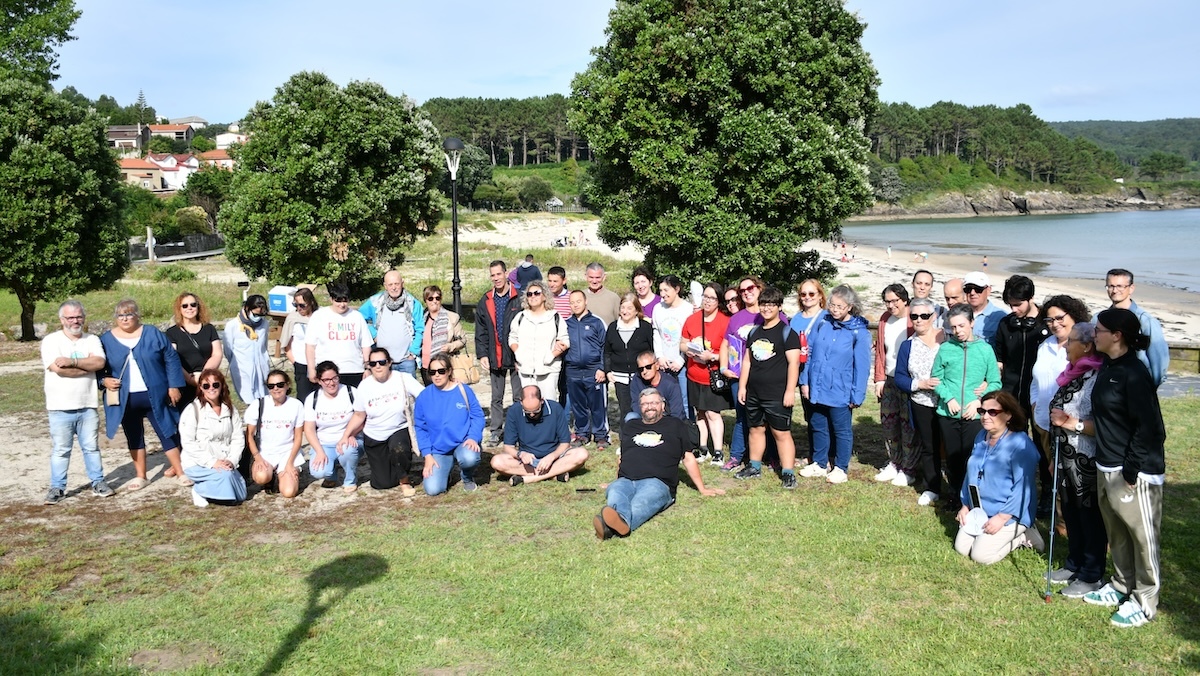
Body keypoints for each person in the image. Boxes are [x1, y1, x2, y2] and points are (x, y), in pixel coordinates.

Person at [1082, 308, 1166, 628]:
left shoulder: (1134, 373)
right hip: (1107, 465)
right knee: (1117, 532)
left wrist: (1130, 471)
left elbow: (1151, 429)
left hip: (1135, 473)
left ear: (1116, 336)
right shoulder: (1109, 365)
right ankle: (1121, 585)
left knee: (1142, 537)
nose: (1094, 334)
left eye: (1099, 330)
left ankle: (1145, 601)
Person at [593, 388, 725, 540]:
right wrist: (615, 481)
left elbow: (688, 458)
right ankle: (617, 523)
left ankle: (612, 526)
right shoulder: (630, 426)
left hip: (658, 482)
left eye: (654, 403)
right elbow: (623, 457)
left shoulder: (675, 425)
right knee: (615, 491)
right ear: (639, 407)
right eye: (645, 404)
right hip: (626, 480)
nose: (650, 406)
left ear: (663, 405)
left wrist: (702, 488)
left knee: (641, 503)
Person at [1045, 322, 1107, 599]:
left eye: (1071, 341)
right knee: (1070, 512)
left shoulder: (1098, 377)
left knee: (1089, 515)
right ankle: (1074, 563)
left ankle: (1091, 574)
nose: (1066, 345)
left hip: (1086, 459)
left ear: (1087, 346)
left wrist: (1071, 423)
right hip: (1064, 457)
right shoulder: (1073, 374)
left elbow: (1105, 424)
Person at [99, 299, 187, 491]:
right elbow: (99, 367)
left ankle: (181, 472)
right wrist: (103, 381)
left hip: (156, 394)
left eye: (129, 314)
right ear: (116, 318)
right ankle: (141, 476)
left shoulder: (152, 333)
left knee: (167, 431)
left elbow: (171, 358)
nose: (125, 318)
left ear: (137, 315)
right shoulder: (105, 339)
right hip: (125, 398)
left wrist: (174, 385)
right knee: (134, 435)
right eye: (120, 315)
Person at [953, 391, 1043, 565]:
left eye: (992, 412)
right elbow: (971, 473)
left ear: (1008, 414)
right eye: (982, 411)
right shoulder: (981, 437)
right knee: (962, 548)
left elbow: (1023, 487)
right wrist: (965, 505)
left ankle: (1022, 534)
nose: (985, 416)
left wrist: (1002, 517)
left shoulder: (1021, 445)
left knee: (981, 557)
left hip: (1009, 512)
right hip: (981, 510)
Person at [932, 304, 1002, 512]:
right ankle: (955, 494)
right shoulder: (945, 349)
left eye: (962, 325)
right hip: (949, 412)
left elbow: (995, 382)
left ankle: (973, 497)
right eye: (953, 327)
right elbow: (937, 379)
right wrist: (949, 398)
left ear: (972, 323)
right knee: (953, 457)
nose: (958, 331)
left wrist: (979, 401)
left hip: (974, 415)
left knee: (972, 457)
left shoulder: (984, 349)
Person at [798, 285, 870, 484]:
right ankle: (820, 463)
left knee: (841, 430)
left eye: (840, 306)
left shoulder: (859, 332)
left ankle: (840, 467)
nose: (835, 309)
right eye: (832, 305)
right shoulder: (822, 322)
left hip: (840, 389)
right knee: (817, 425)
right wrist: (805, 381)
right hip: (817, 385)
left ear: (850, 307)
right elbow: (809, 352)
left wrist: (857, 395)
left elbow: (862, 367)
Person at [43, 301, 112, 504]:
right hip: (59, 406)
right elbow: (58, 369)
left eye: (79, 316)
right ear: (61, 319)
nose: (75, 321)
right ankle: (57, 487)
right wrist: (86, 366)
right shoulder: (50, 341)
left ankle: (98, 482)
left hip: (87, 404)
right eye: (70, 317)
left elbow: (99, 363)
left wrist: (72, 362)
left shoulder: (91, 339)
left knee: (91, 447)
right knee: (61, 449)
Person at [994, 275, 1053, 512]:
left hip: (1038, 397)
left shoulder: (1045, 326)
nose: (1014, 309)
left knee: (1042, 446)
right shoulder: (1006, 324)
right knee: (1012, 443)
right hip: (1012, 395)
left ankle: (1048, 494)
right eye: (1011, 304)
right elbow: (999, 359)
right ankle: (1010, 488)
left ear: (1031, 299)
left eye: (1018, 304)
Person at [735, 285, 803, 488]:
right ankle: (754, 466)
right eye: (763, 304)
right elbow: (747, 361)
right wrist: (742, 387)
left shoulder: (787, 333)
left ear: (779, 307)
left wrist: (790, 391)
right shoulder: (754, 332)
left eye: (771, 304)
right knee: (755, 429)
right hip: (754, 392)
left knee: (781, 433)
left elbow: (794, 363)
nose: (766, 308)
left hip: (777, 393)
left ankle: (788, 472)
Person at [340, 348, 426, 495]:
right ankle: (395, 470)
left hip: (399, 428)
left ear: (389, 362)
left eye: (382, 362)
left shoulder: (402, 378)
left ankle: (404, 479)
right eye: (373, 364)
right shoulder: (364, 386)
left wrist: (449, 385)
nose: (378, 366)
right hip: (374, 435)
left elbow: (425, 396)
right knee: (382, 484)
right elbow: (359, 415)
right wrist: (346, 435)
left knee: (398, 449)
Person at [1029, 295, 1091, 473]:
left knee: (1070, 474)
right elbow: (1036, 381)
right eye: (1049, 320)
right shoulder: (1044, 346)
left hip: (1070, 425)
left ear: (1073, 316)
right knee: (1050, 471)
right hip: (1043, 422)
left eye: (1059, 318)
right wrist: (1035, 406)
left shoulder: (1084, 347)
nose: (1054, 324)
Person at [894, 297, 946, 506]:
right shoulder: (908, 345)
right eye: (914, 316)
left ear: (933, 317)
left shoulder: (947, 339)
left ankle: (956, 488)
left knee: (952, 446)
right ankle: (932, 487)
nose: (919, 320)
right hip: (922, 402)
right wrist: (919, 384)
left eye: (924, 316)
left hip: (948, 401)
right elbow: (899, 377)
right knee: (929, 445)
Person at [413, 352, 486, 496]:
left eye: (441, 371)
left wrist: (473, 437)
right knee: (433, 490)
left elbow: (477, 416)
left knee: (469, 458)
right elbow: (420, 428)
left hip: (463, 442)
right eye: (432, 372)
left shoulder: (463, 390)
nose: (437, 375)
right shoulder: (424, 397)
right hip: (439, 449)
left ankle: (467, 477)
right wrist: (427, 455)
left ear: (449, 371)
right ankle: (447, 471)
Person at [492, 385, 588, 485]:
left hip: (554, 458)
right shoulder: (514, 411)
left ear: (542, 400)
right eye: (528, 412)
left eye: (536, 411)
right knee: (497, 462)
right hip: (527, 461)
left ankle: (529, 478)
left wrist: (552, 456)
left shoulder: (555, 408)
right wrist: (521, 454)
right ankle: (554, 474)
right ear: (521, 402)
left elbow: (565, 443)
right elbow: (508, 447)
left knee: (581, 454)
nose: (532, 415)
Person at [720, 276, 768, 470]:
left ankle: (769, 456)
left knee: (766, 417)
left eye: (750, 288)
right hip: (739, 377)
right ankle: (736, 456)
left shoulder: (771, 312)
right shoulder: (736, 318)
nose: (747, 292)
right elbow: (725, 344)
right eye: (742, 290)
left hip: (765, 377)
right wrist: (724, 368)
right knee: (742, 416)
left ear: (759, 288)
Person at [179, 369, 247, 508]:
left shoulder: (230, 410)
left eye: (215, 385)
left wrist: (232, 460)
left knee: (242, 493)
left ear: (222, 386)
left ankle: (209, 488)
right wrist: (212, 462)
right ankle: (199, 491)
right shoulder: (192, 410)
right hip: (198, 463)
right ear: (201, 388)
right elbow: (188, 442)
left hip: (224, 461)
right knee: (226, 479)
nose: (211, 389)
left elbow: (238, 439)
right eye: (206, 386)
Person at [682, 282, 733, 464]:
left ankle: (718, 450)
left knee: (713, 413)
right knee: (700, 412)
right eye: (705, 296)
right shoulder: (692, 319)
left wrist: (712, 356)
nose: (707, 301)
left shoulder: (725, 321)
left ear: (718, 301)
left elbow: (731, 351)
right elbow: (683, 342)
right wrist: (688, 350)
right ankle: (703, 448)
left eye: (712, 298)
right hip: (694, 374)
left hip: (713, 376)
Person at [872, 284, 918, 486]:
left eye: (894, 301)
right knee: (889, 422)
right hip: (889, 379)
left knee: (908, 425)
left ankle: (909, 468)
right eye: (887, 302)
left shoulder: (913, 319)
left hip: (907, 379)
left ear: (905, 300)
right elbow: (881, 352)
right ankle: (894, 462)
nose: (891, 306)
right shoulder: (884, 319)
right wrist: (879, 378)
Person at [476, 260, 523, 446]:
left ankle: (519, 430)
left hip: (515, 354)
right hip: (494, 353)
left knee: (519, 396)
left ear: (505, 274)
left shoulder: (519, 297)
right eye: (492, 275)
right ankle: (495, 431)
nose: (496, 278)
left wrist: (523, 355)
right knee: (496, 396)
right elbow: (481, 330)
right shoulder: (486, 299)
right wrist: (482, 354)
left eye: (498, 274)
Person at [244, 370, 305, 498]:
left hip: (287, 451)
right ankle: (270, 477)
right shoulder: (259, 404)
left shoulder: (296, 405)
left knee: (289, 492)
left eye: (280, 385)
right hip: (265, 452)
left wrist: (290, 463)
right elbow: (249, 435)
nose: (276, 389)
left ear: (287, 385)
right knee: (261, 477)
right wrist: (257, 457)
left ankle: (283, 474)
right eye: (271, 386)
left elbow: (298, 437)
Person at [786, 279, 827, 471]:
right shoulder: (796, 319)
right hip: (801, 372)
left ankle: (824, 459)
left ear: (820, 295)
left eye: (812, 294)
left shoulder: (827, 317)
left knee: (822, 418)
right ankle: (815, 456)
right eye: (803, 294)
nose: (807, 298)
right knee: (810, 416)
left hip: (821, 374)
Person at [303, 362, 361, 494]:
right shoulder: (312, 399)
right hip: (324, 442)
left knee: (348, 452)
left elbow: (361, 417)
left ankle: (350, 479)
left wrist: (351, 433)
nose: (331, 383)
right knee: (318, 471)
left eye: (334, 378)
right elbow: (309, 429)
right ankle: (331, 473)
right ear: (319, 381)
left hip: (348, 438)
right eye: (326, 380)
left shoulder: (351, 392)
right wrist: (319, 451)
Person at [1105, 269, 1168, 387]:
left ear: (1131, 288)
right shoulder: (1100, 319)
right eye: (1110, 286)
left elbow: (1159, 363)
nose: (1114, 290)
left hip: (1136, 386)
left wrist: (1146, 389)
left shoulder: (1146, 321)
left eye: (1120, 286)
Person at [510, 279, 570, 401]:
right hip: (526, 370)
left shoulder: (555, 317)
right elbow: (512, 338)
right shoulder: (521, 317)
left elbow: (565, 341)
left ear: (544, 296)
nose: (533, 296)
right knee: (529, 404)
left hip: (548, 370)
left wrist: (551, 356)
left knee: (548, 404)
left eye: (537, 293)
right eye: (529, 294)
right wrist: (518, 353)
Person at [305, 282, 373, 389]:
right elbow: (310, 346)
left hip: (354, 370)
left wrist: (368, 368)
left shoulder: (357, 316)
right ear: (331, 299)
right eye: (338, 300)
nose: (342, 304)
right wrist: (311, 369)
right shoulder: (318, 316)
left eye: (345, 300)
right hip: (327, 372)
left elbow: (366, 345)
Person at [360, 270, 425, 377]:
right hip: (382, 362)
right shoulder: (375, 302)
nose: (394, 287)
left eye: (396, 284)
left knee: (407, 393)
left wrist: (413, 353)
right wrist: (374, 334)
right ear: (385, 286)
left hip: (406, 361)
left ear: (402, 283)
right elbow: (360, 318)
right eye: (390, 284)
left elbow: (420, 328)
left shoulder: (412, 303)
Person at [565, 290, 609, 448]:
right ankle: (582, 434)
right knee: (578, 406)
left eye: (578, 301)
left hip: (594, 371)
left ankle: (601, 435)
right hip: (573, 372)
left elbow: (606, 347)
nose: (575, 305)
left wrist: (602, 368)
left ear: (585, 302)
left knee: (597, 405)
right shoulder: (566, 324)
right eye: (572, 302)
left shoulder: (597, 322)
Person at [165, 292, 222, 410]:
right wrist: (190, 379)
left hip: (208, 383)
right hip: (184, 382)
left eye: (193, 305)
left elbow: (217, 354)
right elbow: (172, 359)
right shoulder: (172, 333)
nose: (189, 308)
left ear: (198, 307)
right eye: (185, 306)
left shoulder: (209, 328)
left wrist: (203, 376)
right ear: (179, 309)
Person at [604, 293, 655, 423]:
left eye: (629, 308)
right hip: (620, 377)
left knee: (644, 407)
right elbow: (607, 352)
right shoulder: (612, 327)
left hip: (641, 375)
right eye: (623, 308)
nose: (625, 311)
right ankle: (626, 439)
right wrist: (608, 371)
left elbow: (652, 350)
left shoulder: (645, 327)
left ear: (636, 310)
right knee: (625, 410)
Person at [652, 275, 693, 420]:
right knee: (665, 400)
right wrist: (660, 356)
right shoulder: (658, 308)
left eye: (666, 290)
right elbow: (656, 333)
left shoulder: (688, 309)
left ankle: (688, 435)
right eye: (660, 290)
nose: (663, 294)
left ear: (677, 289)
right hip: (664, 363)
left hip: (683, 363)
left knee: (684, 401)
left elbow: (690, 337)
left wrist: (681, 360)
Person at [223, 294, 271, 403]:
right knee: (248, 399)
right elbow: (228, 349)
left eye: (261, 315)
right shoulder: (232, 325)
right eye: (255, 314)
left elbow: (264, 345)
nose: (258, 317)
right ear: (247, 308)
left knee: (264, 398)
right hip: (242, 368)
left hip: (261, 367)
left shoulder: (264, 324)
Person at [420, 284, 466, 382]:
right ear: (425, 300)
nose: (434, 301)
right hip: (425, 365)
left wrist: (451, 346)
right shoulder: (421, 319)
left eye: (437, 298)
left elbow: (463, 340)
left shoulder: (452, 317)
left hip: (443, 365)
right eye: (430, 298)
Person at [280, 288, 318, 403]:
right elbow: (286, 343)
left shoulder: (320, 316)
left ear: (311, 302)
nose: (299, 308)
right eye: (295, 305)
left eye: (302, 305)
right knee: (303, 398)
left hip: (320, 363)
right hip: (301, 363)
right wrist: (295, 362)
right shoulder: (293, 318)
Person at [630, 350, 686, 420]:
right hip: (645, 417)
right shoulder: (637, 380)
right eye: (640, 369)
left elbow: (677, 412)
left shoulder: (670, 384)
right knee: (631, 417)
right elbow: (635, 404)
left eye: (648, 367)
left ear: (657, 365)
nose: (644, 371)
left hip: (666, 419)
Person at [962, 272, 1006, 346]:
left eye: (978, 289)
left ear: (988, 290)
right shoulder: (960, 315)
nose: (972, 293)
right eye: (968, 289)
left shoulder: (1002, 318)